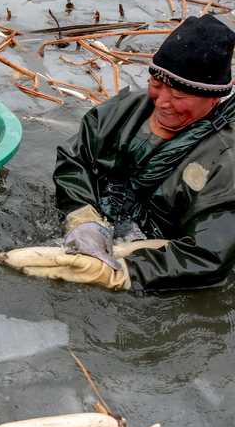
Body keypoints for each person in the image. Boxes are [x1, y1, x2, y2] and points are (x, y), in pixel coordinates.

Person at [45, 15, 235, 293]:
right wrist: (81, 218)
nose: (163, 103)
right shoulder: (121, 112)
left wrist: (126, 273)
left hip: (154, 259)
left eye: (179, 97)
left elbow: (210, 255)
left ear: (213, 98)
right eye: (156, 86)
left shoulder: (224, 162)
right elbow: (75, 160)